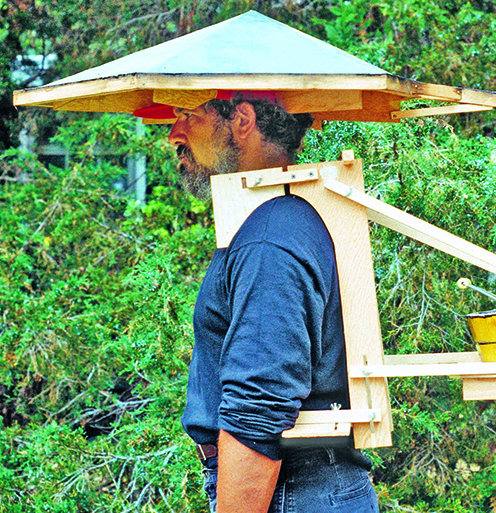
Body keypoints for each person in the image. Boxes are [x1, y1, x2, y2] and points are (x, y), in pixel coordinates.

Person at [168, 92, 380, 513]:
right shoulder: (272, 221)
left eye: (188, 115)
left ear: (242, 120)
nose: (173, 134)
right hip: (300, 486)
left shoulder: (270, 235)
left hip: (291, 491)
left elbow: (258, 407)